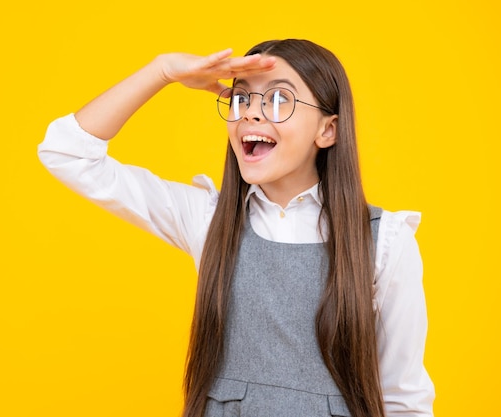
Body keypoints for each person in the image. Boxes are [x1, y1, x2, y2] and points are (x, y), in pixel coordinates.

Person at [38, 39, 434, 417]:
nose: (252, 113)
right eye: (241, 97)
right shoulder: (209, 220)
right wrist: (161, 71)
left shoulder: (385, 241)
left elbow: (403, 400)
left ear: (327, 130)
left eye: (279, 99)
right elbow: (67, 153)